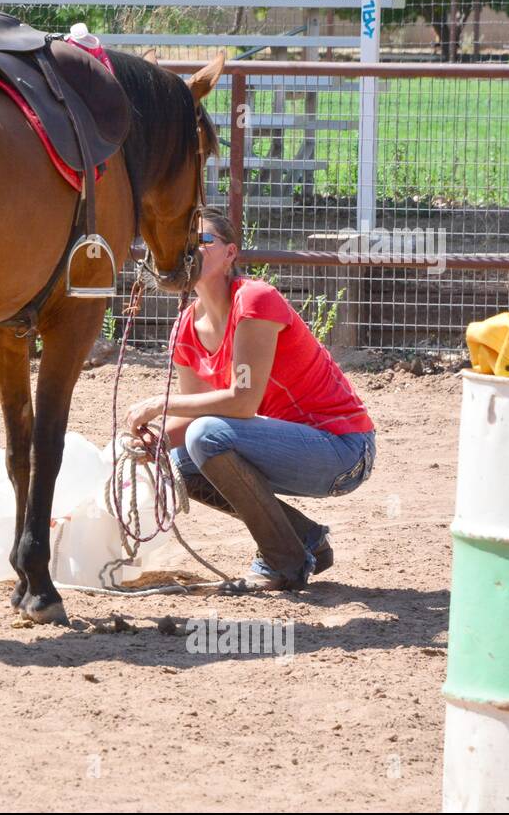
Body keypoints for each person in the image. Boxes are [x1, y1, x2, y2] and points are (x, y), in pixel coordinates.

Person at [124, 209, 376, 590]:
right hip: (289, 448)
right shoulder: (184, 329)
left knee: (207, 437)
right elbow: (193, 416)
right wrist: (149, 443)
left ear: (230, 254)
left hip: (343, 450)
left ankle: (283, 564)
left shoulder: (255, 300)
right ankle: (305, 539)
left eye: (204, 241)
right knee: (180, 462)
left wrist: (159, 404)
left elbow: (241, 403)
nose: (192, 249)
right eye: (185, 243)